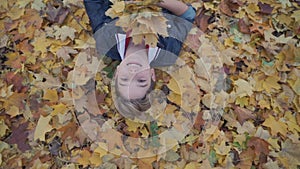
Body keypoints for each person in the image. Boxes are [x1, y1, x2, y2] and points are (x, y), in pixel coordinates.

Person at [83, 0, 196, 119]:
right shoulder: (168, 51)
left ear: (117, 72)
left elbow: (93, 2)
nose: (132, 73)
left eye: (125, 79)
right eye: (141, 81)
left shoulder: (105, 41)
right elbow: (188, 15)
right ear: (152, 75)